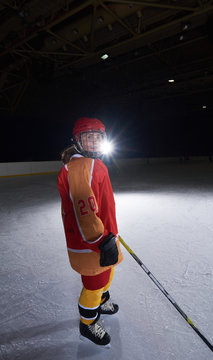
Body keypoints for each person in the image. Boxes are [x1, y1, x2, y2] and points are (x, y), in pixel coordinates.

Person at [57, 117, 123, 346]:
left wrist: (109, 233)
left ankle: (103, 300)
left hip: (102, 237)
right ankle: (88, 323)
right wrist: (101, 241)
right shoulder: (80, 167)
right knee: (93, 284)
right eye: (88, 137)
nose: (94, 142)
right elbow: (83, 213)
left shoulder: (91, 164)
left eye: (98, 137)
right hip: (92, 242)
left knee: (107, 272)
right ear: (77, 140)